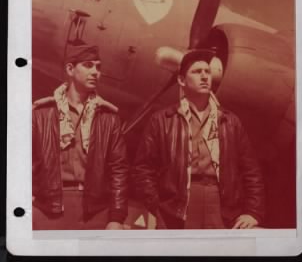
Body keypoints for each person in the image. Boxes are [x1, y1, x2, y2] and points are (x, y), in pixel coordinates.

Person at [132, 49, 265, 229]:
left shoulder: (230, 121)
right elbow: (143, 167)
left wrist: (253, 212)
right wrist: (155, 205)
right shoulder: (162, 120)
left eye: (207, 71)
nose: (204, 76)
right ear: (181, 80)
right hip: (177, 204)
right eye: (196, 72)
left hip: (221, 203)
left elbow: (251, 171)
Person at [32, 44, 128, 230]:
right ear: (70, 69)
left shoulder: (108, 117)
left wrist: (116, 217)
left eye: (98, 67)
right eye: (88, 65)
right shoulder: (41, 114)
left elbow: (119, 169)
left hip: (95, 210)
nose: (95, 72)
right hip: (47, 208)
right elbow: (21, 163)